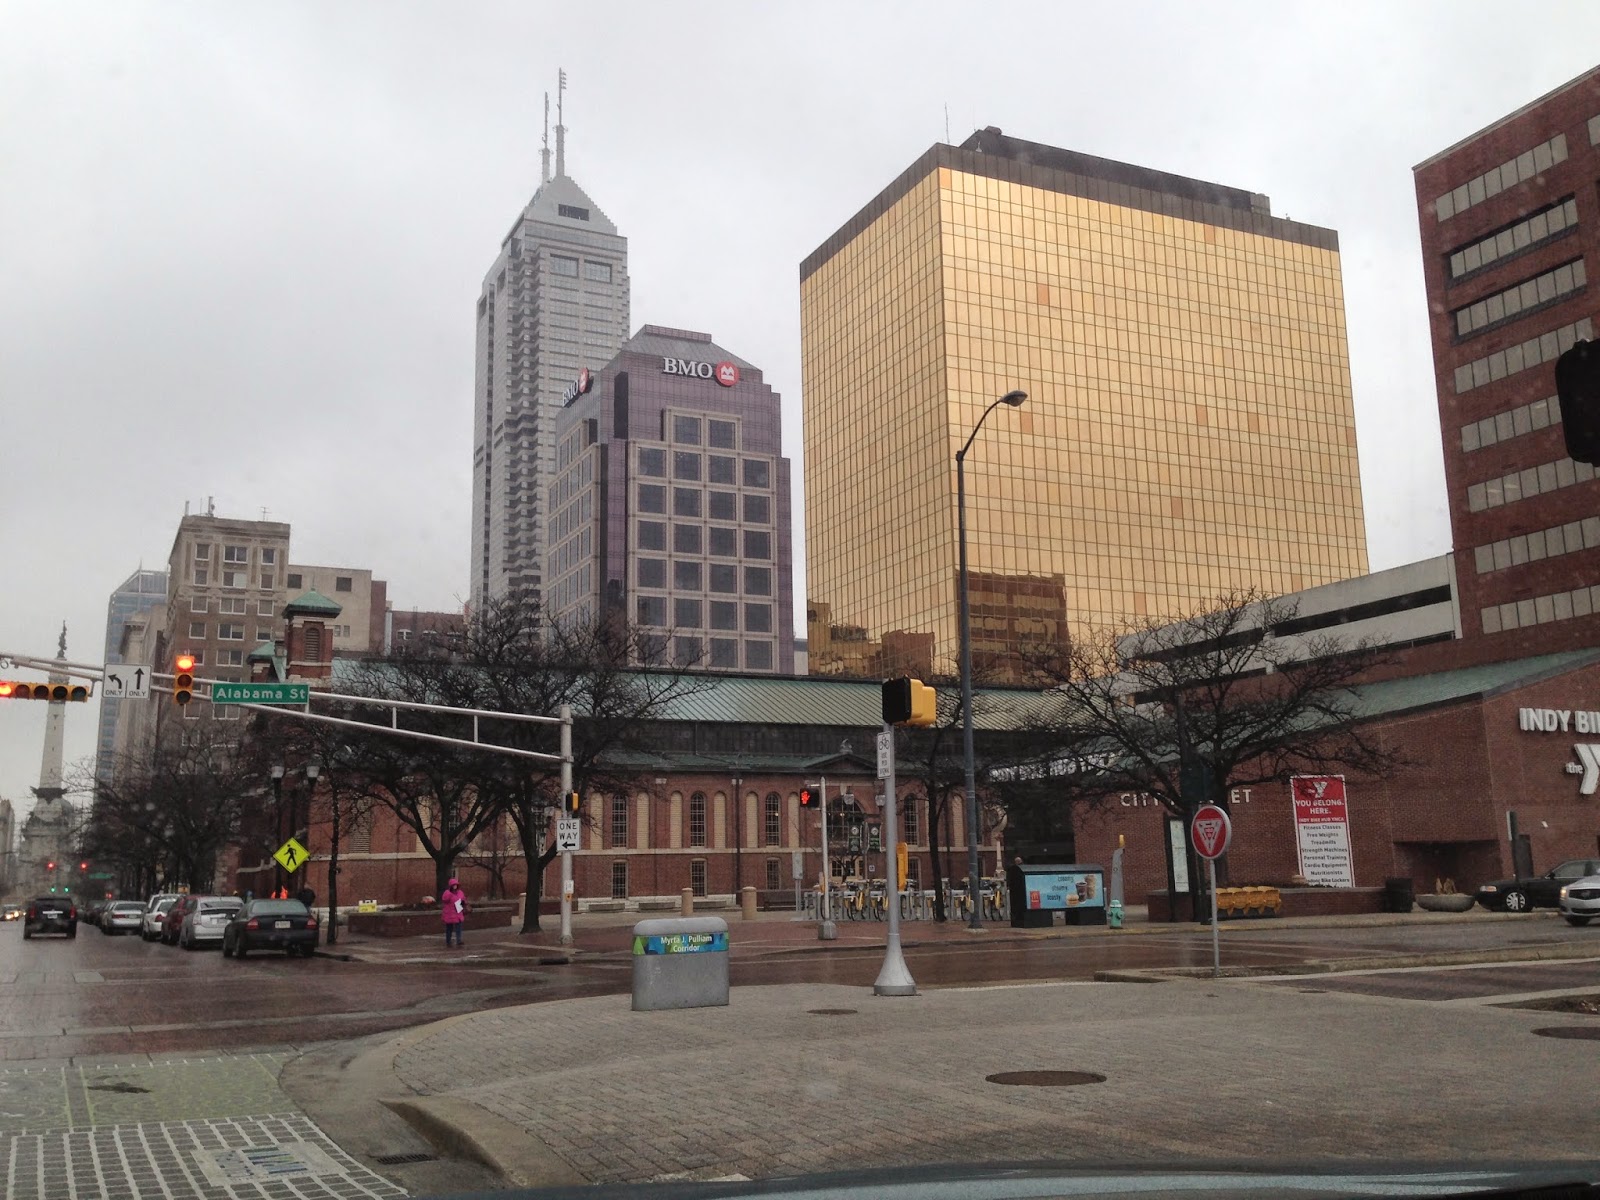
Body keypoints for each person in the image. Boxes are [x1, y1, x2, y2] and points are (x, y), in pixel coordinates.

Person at [440, 878, 468, 947]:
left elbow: (464, 899)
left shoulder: (460, 892)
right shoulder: (447, 893)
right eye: (453, 885)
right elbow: (445, 899)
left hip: (458, 912)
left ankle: (459, 940)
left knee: (459, 927)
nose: (455, 886)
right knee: (449, 928)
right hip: (450, 913)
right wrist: (450, 894)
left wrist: (464, 902)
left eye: (456, 885)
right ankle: (448, 941)